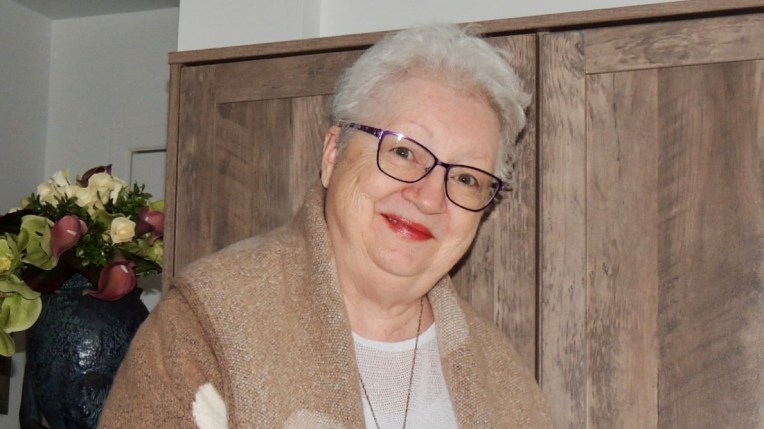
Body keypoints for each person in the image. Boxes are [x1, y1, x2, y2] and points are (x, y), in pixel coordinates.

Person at [99, 23, 553, 428]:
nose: (430, 197)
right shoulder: (208, 323)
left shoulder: (504, 379)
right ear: (334, 153)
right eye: (403, 152)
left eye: (467, 178)